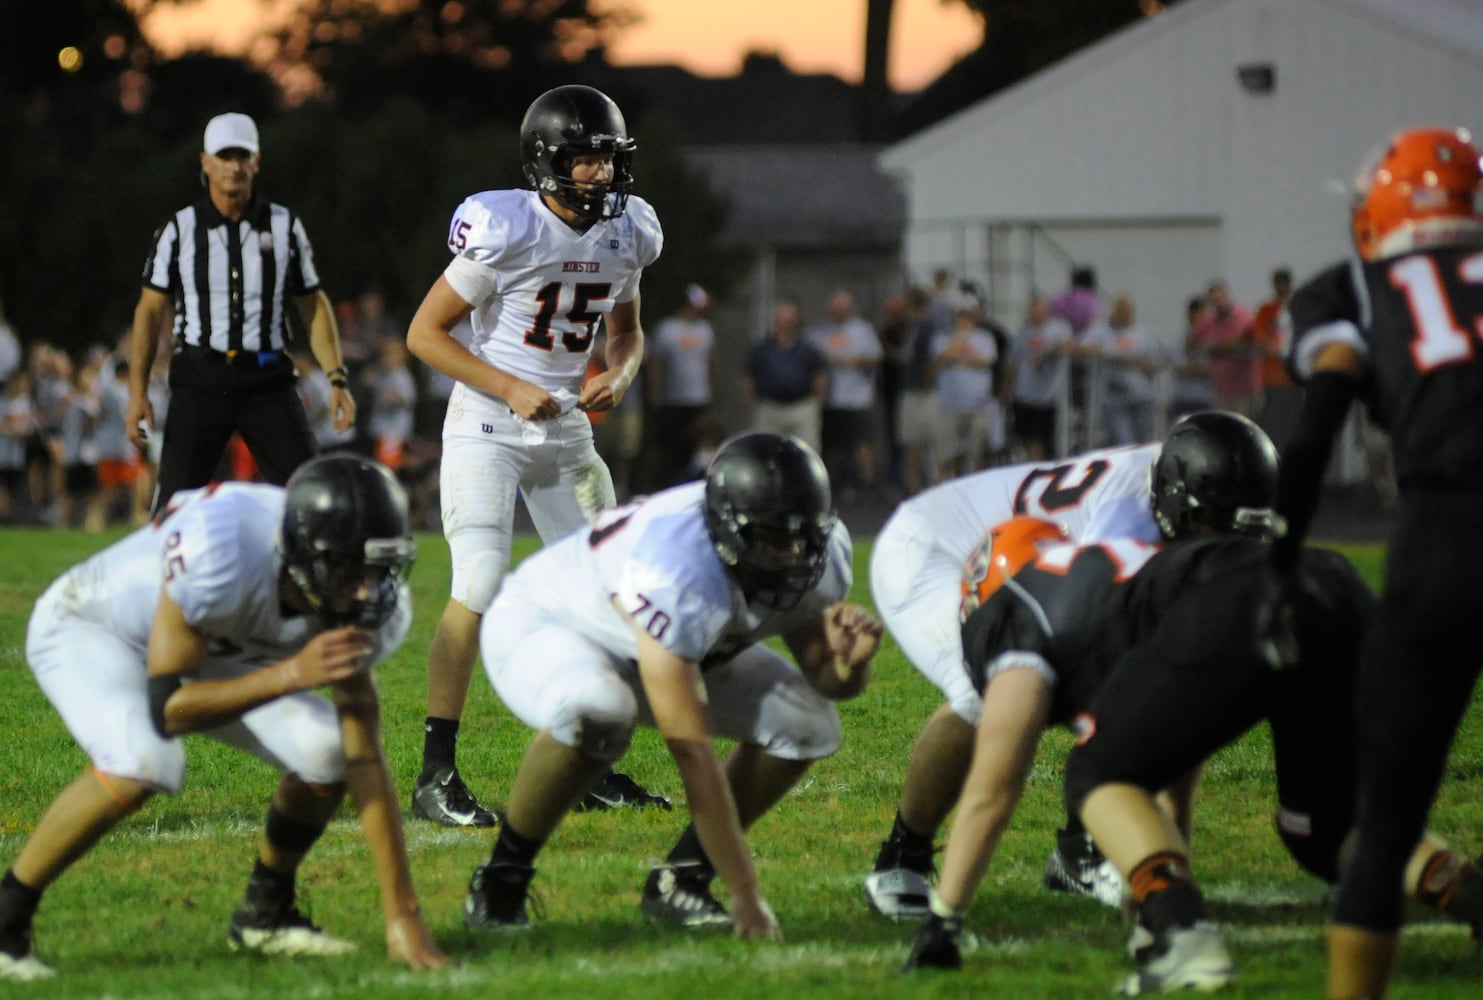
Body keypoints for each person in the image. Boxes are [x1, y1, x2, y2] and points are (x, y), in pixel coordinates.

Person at [904, 523, 1483, 990]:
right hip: (1332, 585)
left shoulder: (1015, 610)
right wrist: (1155, 881)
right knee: (1325, 828)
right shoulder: (1104, 580)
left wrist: (945, 917)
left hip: (1241, 600)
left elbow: (994, 784)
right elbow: (1174, 745)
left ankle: (1188, 942)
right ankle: (1473, 896)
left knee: (1096, 771)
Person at [0, 455, 444, 982]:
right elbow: (169, 709)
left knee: (329, 752)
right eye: (352, 572)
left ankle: (265, 912)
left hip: (220, 649)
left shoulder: (369, 604)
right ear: (304, 555)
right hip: (99, 625)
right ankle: (7, 919)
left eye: (380, 570)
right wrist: (290, 675)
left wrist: (403, 916)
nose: (369, 592)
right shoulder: (223, 545)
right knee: (144, 759)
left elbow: (362, 752)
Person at [863, 410, 1280, 920]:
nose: (1225, 544)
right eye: (1215, 525)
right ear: (1173, 498)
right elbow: (1074, 624)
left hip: (1026, 555)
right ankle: (901, 858)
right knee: (988, 692)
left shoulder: (1193, 485)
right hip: (934, 548)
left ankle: (1081, 850)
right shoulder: (1127, 516)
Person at [461, 432, 880, 937]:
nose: (788, 555)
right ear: (727, 528)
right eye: (770, 540)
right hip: (556, 623)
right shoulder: (678, 566)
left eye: (799, 539)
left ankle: (681, 882)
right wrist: (747, 896)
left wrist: (850, 665)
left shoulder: (822, 554)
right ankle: (502, 879)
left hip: (675, 645)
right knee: (600, 711)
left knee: (809, 723)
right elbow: (692, 751)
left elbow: (825, 678)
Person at [403, 84, 667, 827]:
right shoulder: (507, 227)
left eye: (608, 161)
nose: (601, 177)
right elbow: (424, 333)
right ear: (548, 161)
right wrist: (510, 386)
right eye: (585, 161)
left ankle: (589, 764)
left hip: (567, 435)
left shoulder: (628, 233)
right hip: (488, 426)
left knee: (609, 594)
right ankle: (435, 775)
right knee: (479, 583)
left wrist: (616, 375)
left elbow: (625, 333)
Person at [1260, 124, 1483, 1000]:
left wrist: (1278, 563)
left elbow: (1315, 426)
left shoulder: (1352, 284)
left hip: (1444, 537)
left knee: (1384, 821)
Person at [125, 112, 356, 516]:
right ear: (206, 163)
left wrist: (337, 378)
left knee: (311, 498)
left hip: (267, 381)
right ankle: (162, 579)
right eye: (225, 155)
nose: (234, 165)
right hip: (200, 378)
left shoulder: (284, 226)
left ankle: (312, 580)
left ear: (256, 162)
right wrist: (137, 392)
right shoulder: (179, 230)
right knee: (172, 507)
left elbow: (313, 304)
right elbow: (148, 313)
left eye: (242, 155)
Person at [807, 289, 883, 499]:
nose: (839, 313)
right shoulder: (820, 332)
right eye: (835, 309)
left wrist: (852, 361)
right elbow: (812, 357)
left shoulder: (862, 330)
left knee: (862, 443)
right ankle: (834, 485)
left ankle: (868, 484)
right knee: (833, 446)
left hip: (857, 398)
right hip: (832, 398)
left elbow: (875, 358)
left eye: (843, 309)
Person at [644, 283, 716, 491]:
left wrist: (711, 391)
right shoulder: (666, 329)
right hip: (673, 400)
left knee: (698, 447)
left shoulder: (705, 330)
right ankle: (667, 486)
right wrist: (656, 395)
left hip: (699, 398)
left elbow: (711, 363)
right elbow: (657, 365)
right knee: (671, 447)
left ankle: (694, 486)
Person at [743, 298, 828, 454]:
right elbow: (750, 378)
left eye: (790, 319)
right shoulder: (762, 349)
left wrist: (816, 404)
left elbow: (819, 377)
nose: (786, 323)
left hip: (801, 408)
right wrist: (755, 404)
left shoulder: (807, 349)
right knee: (767, 451)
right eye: (782, 319)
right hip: (771, 408)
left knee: (806, 451)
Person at [1005, 295, 1073, 461]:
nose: (1037, 315)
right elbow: (1012, 363)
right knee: (1028, 439)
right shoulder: (1021, 334)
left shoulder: (1058, 329)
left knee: (1042, 439)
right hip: (1024, 395)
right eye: (1034, 311)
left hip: (1048, 397)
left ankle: (1038, 467)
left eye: (1041, 311)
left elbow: (1070, 344)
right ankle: (1032, 466)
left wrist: (1046, 356)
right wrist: (1007, 390)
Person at [1189, 279, 1260, 419]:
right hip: (1221, 390)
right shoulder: (1209, 320)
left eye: (1219, 296)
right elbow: (1192, 341)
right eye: (1213, 298)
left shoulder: (1242, 316)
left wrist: (1213, 347)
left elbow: (1240, 340)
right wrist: (1213, 347)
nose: (1217, 300)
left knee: (1242, 428)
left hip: (1244, 389)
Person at [1252, 266, 1301, 445]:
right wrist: (1282, 349)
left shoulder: (1298, 308)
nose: (1282, 287)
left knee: (1295, 426)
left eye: (1285, 283)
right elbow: (1261, 340)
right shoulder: (1267, 311)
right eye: (1279, 283)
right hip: (1273, 380)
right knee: (1274, 427)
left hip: (1296, 379)